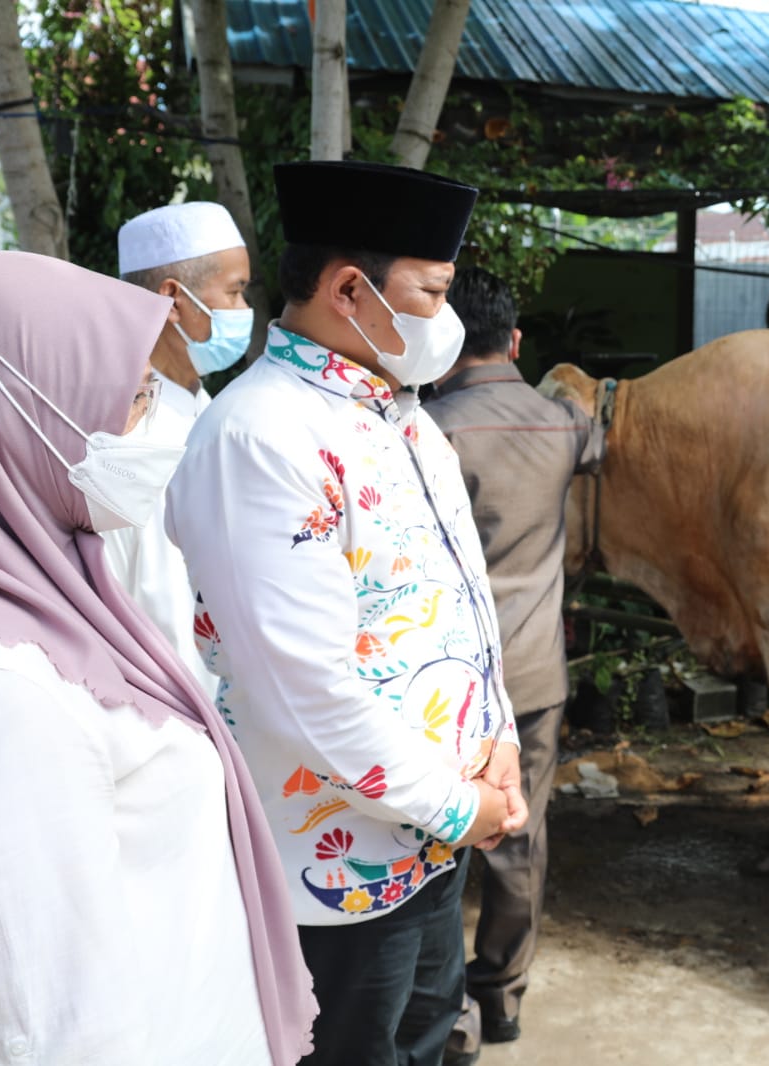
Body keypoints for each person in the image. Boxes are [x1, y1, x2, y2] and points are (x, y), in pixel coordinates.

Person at [0, 251, 316, 1064]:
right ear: (10, 418)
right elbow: (45, 1035)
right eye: (129, 400)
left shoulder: (42, 597)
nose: (144, 424)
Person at [166, 160, 526, 1066]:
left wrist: (502, 737)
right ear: (348, 289)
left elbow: (463, 603)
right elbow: (303, 689)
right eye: (433, 293)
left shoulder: (402, 417)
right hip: (336, 867)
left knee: (428, 1037)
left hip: (433, 837)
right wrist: (457, 803)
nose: (444, 322)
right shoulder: (261, 435)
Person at [421, 267, 604, 1064]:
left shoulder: (424, 428)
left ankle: (446, 1017)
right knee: (518, 837)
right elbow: (597, 428)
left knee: (431, 841)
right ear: (516, 340)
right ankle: (501, 1000)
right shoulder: (562, 426)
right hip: (533, 677)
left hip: (440, 680)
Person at [110, 201, 253, 696]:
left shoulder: (209, 409)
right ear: (173, 299)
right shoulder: (129, 435)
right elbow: (160, 608)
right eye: (235, 292)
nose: (244, 312)